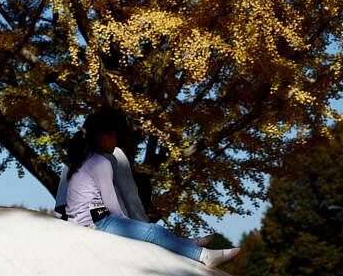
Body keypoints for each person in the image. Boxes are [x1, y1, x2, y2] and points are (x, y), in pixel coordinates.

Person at [64, 110, 239, 269]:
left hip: (84, 220)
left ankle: (185, 243)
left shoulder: (82, 161)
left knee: (153, 232)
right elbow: (112, 207)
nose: (116, 142)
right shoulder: (101, 163)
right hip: (97, 222)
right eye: (114, 137)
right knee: (152, 231)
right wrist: (132, 227)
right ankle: (204, 255)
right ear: (104, 138)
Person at [55, 107, 148, 222]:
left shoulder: (78, 153)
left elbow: (61, 201)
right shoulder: (115, 156)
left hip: (71, 216)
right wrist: (142, 229)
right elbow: (130, 197)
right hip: (103, 220)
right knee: (144, 182)